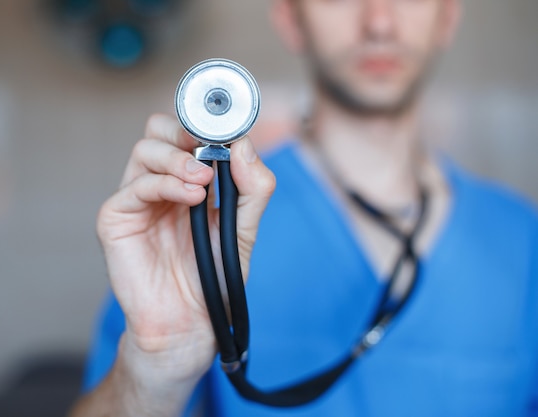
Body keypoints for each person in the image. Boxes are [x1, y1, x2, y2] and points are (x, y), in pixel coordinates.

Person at [70, 0, 538, 415]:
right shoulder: (197, 223)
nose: (379, 21)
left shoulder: (522, 238)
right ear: (291, 20)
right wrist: (154, 368)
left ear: (447, 19)